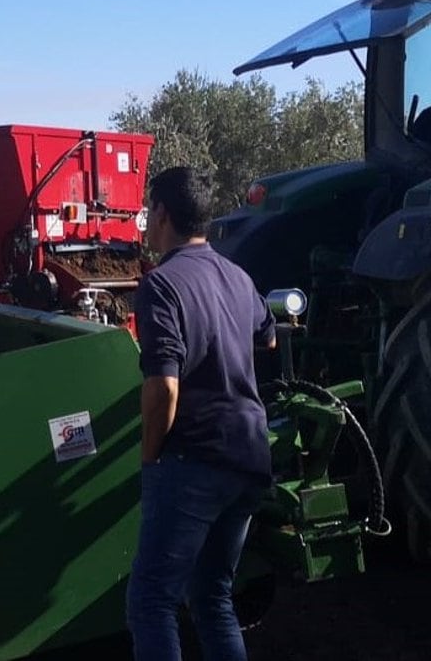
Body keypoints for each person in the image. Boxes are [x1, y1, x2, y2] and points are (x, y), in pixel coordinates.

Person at [125, 166, 276, 661]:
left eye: (150, 211)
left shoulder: (162, 285)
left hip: (195, 460)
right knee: (212, 598)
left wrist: (151, 458)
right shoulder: (237, 275)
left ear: (162, 213)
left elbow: (164, 387)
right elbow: (268, 337)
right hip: (250, 456)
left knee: (150, 601)